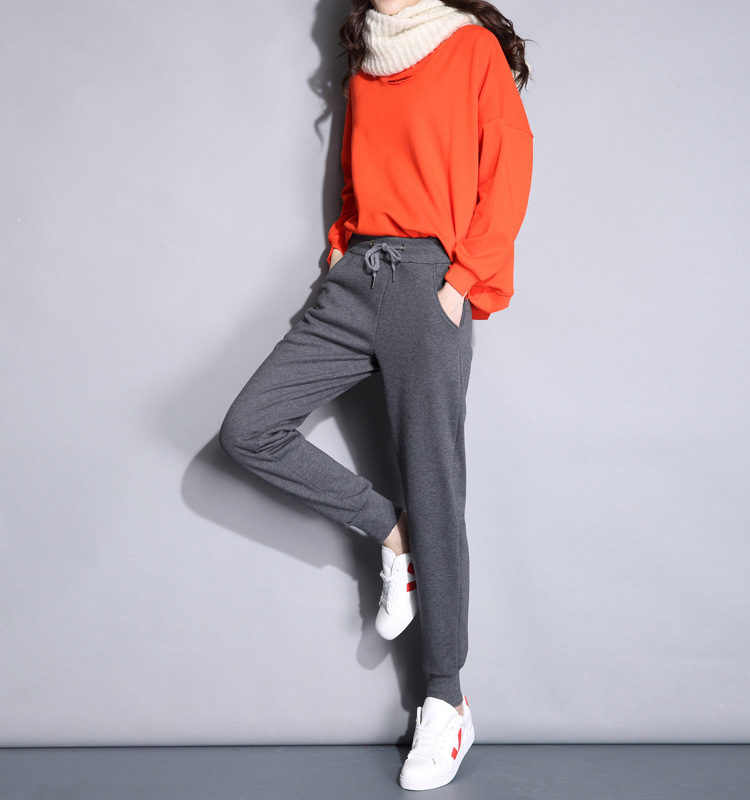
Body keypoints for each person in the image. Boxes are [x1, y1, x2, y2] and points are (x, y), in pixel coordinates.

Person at [219, 0, 533, 790]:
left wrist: (461, 284)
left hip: (429, 286)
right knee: (250, 427)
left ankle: (446, 701)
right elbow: (360, 178)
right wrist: (340, 252)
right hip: (356, 281)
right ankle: (393, 535)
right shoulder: (365, 66)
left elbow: (509, 167)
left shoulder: (471, 51)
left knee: (437, 488)